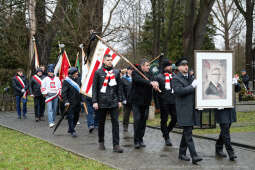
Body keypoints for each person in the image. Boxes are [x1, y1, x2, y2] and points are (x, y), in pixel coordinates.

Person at [172, 58, 202, 164]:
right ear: (178, 67)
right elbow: (179, 91)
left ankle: (181, 153)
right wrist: (192, 86)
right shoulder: (175, 78)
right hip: (183, 110)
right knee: (188, 133)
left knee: (186, 132)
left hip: (192, 109)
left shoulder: (191, 77)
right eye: (183, 65)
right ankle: (194, 156)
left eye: (187, 64)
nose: (186, 66)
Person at [92, 54, 123, 153]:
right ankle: (101, 142)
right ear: (104, 61)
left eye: (111, 60)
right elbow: (95, 88)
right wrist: (95, 101)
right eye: (108, 60)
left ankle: (116, 145)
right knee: (101, 123)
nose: (110, 61)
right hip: (101, 102)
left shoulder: (116, 72)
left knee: (116, 123)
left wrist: (119, 100)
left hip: (113, 101)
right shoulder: (98, 72)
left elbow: (119, 88)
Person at [130, 58, 159, 149]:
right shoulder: (135, 73)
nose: (148, 67)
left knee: (143, 121)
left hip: (146, 101)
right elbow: (140, 81)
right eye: (147, 65)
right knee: (137, 120)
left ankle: (141, 139)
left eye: (149, 65)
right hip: (136, 101)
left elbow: (154, 80)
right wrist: (150, 83)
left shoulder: (150, 73)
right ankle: (136, 141)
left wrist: (155, 83)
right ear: (142, 66)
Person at [214, 76, 241, 161]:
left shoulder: (229, 75)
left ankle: (218, 146)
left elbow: (237, 89)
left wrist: (235, 83)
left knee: (225, 129)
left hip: (230, 107)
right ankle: (231, 152)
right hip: (221, 108)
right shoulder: (216, 79)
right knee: (225, 130)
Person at [155, 60, 177, 146]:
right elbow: (155, 93)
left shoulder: (174, 76)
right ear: (164, 67)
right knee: (164, 119)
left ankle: (166, 132)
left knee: (175, 118)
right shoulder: (158, 77)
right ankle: (167, 138)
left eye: (171, 65)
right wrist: (157, 104)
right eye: (168, 66)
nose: (170, 67)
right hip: (163, 101)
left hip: (173, 101)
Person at [62, 67, 84, 137]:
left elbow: (80, 90)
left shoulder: (78, 79)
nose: (77, 73)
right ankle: (72, 131)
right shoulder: (66, 81)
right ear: (72, 73)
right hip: (70, 102)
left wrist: (82, 100)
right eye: (76, 72)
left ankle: (71, 128)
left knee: (76, 117)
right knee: (71, 117)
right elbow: (64, 93)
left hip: (78, 102)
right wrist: (66, 101)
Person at [122, 66, 133, 132]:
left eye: (132, 70)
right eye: (130, 70)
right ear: (127, 70)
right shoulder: (123, 78)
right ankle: (125, 126)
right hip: (127, 99)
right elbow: (122, 90)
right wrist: (123, 99)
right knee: (126, 114)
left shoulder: (135, 78)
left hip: (134, 99)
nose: (131, 71)